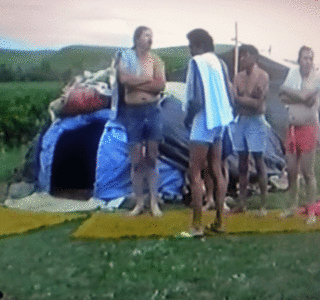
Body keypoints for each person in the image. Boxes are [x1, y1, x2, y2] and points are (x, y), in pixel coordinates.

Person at [184, 29, 234, 235]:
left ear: (198, 46)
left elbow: (195, 98)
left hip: (203, 118)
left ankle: (197, 226)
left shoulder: (197, 62)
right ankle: (220, 222)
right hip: (220, 119)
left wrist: (188, 118)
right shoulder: (220, 63)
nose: (189, 50)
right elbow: (229, 92)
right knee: (216, 168)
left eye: (190, 46)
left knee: (194, 171)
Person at [117, 26, 166, 216]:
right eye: (146, 36)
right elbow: (124, 80)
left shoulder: (156, 60)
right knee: (136, 159)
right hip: (133, 112)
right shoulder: (126, 58)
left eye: (151, 36)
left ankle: (154, 202)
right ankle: (139, 203)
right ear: (137, 38)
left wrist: (138, 82)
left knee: (152, 157)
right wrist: (147, 80)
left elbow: (160, 85)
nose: (150, 40)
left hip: (152, 111)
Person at [279, 46, 320, 224]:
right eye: (305, 58)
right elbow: (282, 96)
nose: (308, 62)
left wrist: (291, 93)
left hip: (308, 128)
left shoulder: (316, 78)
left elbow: (308, 98)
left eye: (310, 58)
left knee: (308, 172)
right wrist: (299, 97)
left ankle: (311, 211)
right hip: (292, 127)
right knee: (291, 170)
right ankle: (291, 206)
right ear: (299, 59)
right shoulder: (292, 74)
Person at [231, 44, 270, 215]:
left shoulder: (263, 76)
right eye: (241, 56)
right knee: (242, 163)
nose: (242, 59)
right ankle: (242, 203)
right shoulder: (237, 77)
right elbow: (234, 100)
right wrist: (246, 98)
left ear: (254, 57)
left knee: (259, 160)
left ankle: (263, 204)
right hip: (242, 120)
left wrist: (242, 98)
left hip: (256, 121)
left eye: (245, 56)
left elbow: (257, 104)